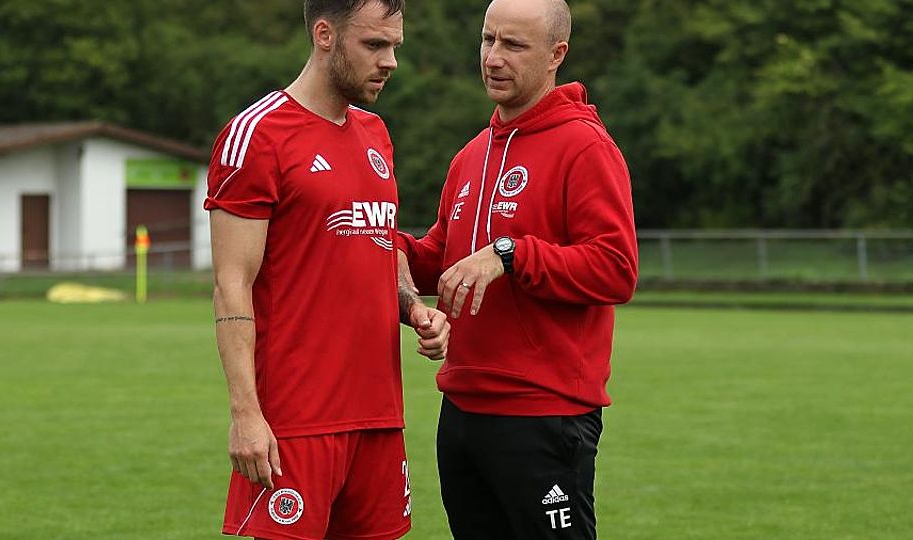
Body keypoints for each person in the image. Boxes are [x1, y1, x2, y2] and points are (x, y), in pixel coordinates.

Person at [204, 1, 449, 539]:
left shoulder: (377, 134)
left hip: (380, 417)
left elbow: (381, 248)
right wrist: (246, 413)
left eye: (394, 47)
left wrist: (413, 308)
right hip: (294, 422)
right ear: (324, 35)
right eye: (374, 45)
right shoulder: (256, 135)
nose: (390, 62)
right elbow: (230, 286)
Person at [396, 0, 638, 538]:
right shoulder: (472, 154)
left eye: (513, 45)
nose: (493, 58)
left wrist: (511, 254)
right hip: (461, 411)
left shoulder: (586, 147)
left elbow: (616, 268)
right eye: (488, 40)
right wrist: (379, 243)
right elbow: (440, 258)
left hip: (543, 415)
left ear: (557, 54)